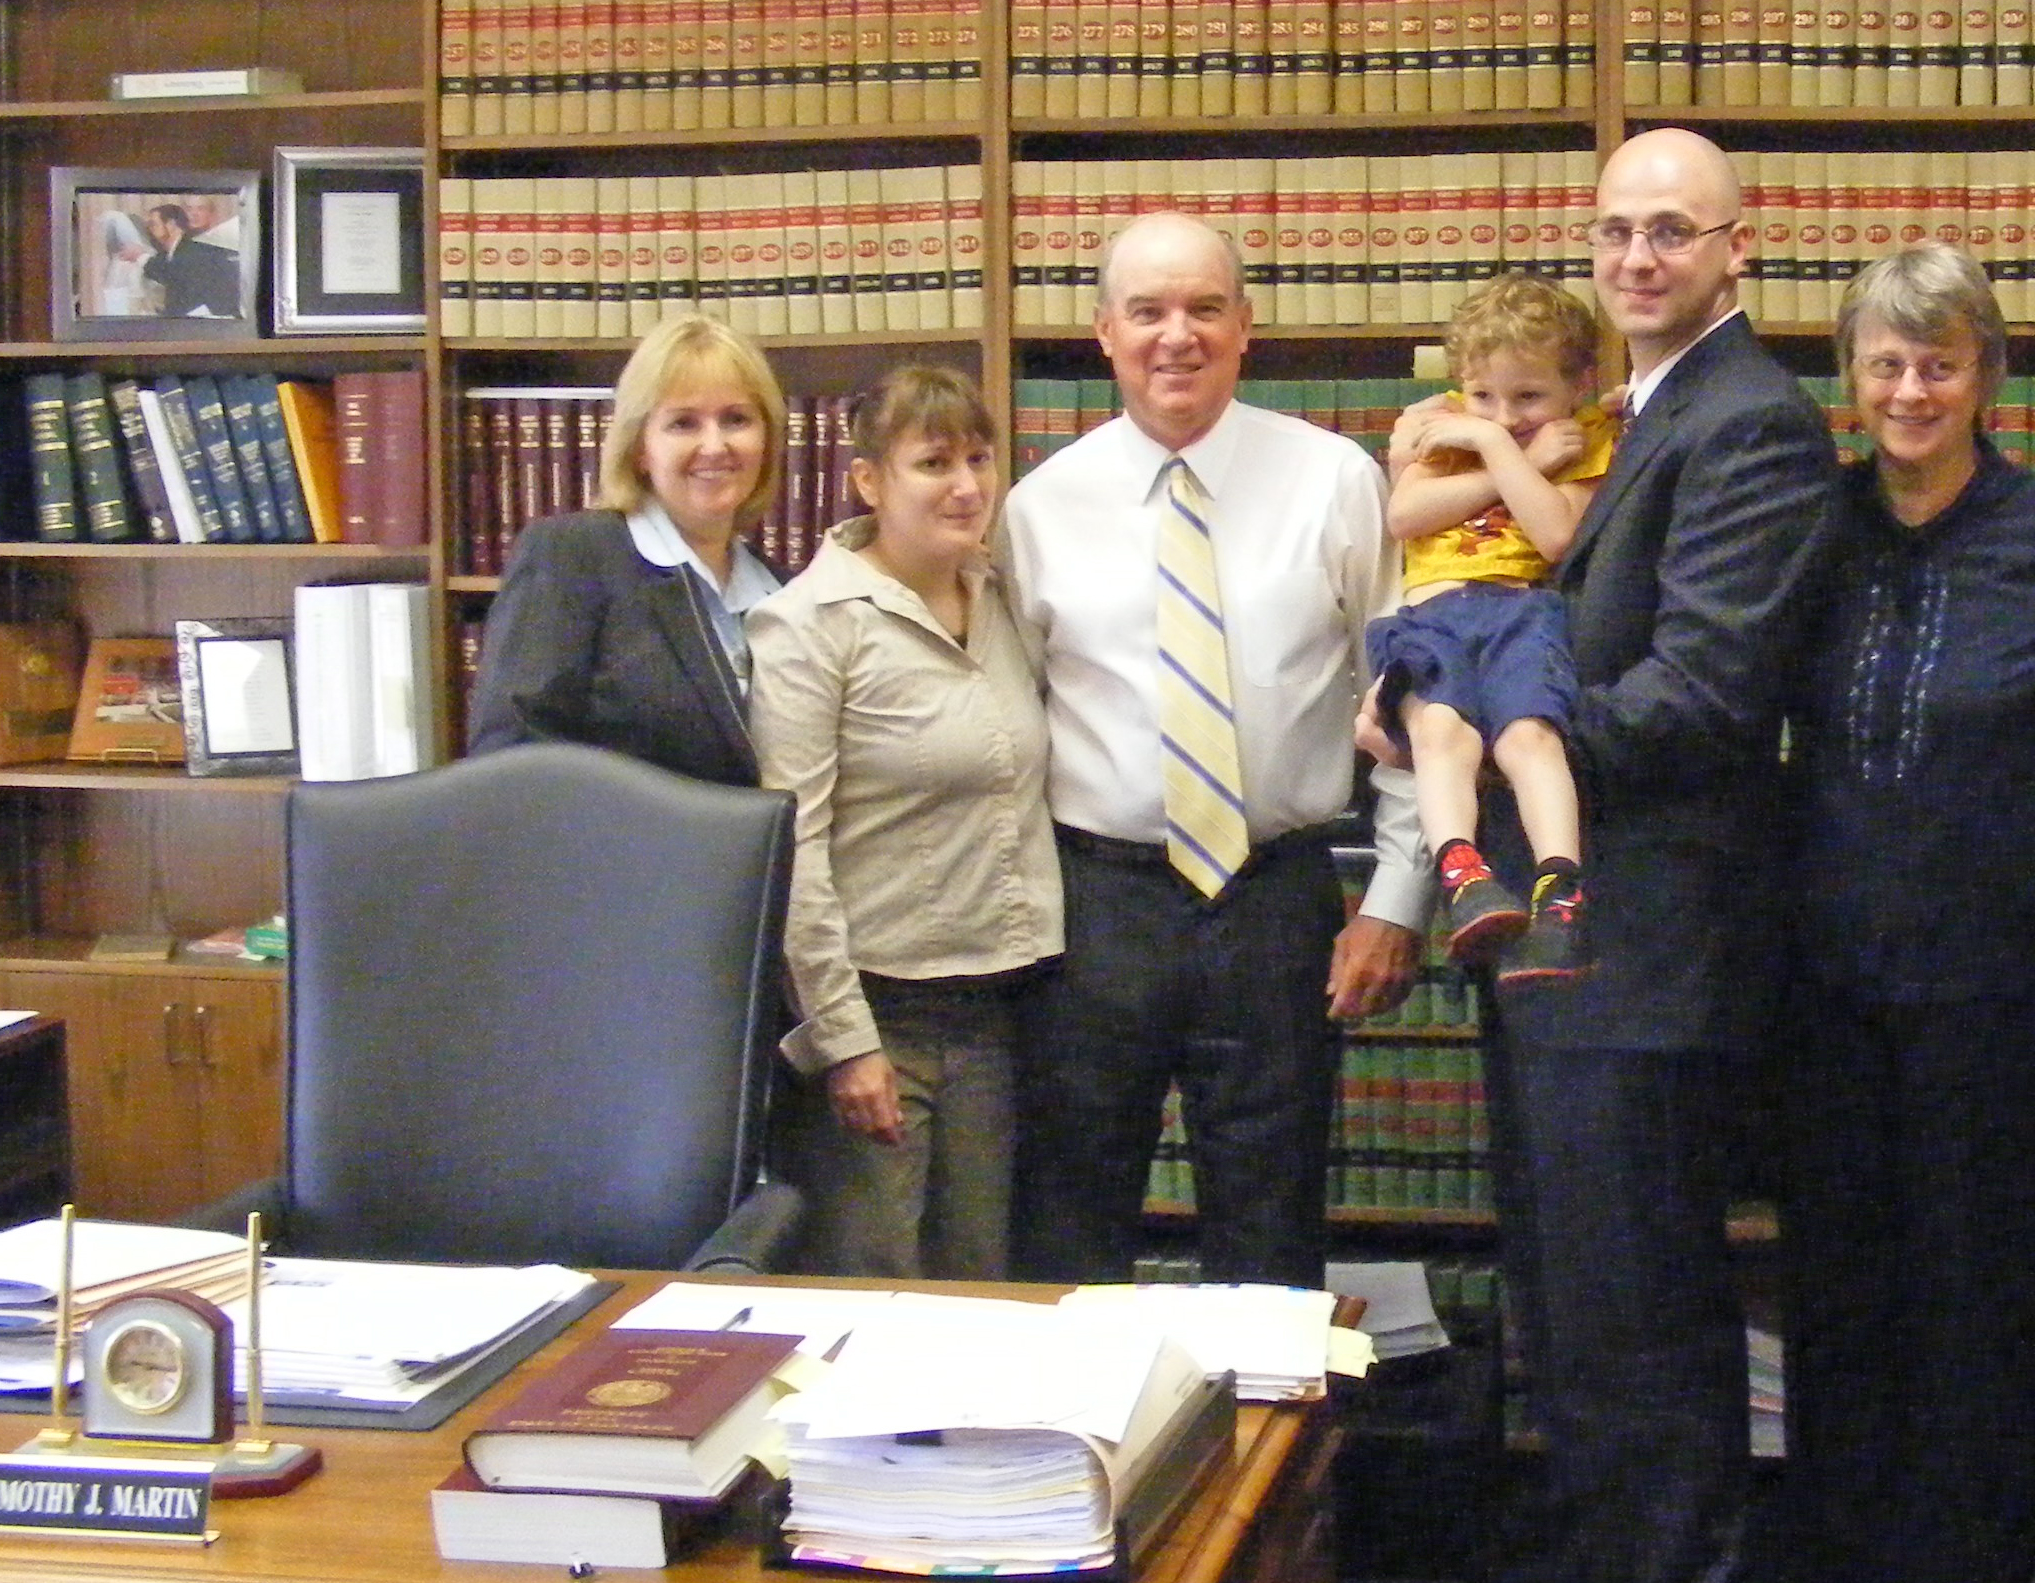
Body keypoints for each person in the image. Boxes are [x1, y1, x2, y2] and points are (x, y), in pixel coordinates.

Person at [1479, 127, 1840, 1583]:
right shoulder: (1648, 414)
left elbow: (1699, 700)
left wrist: (1500, 728)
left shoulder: (1751, 422)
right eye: (1615, 229)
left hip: (1653, 952)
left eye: (1670, 231)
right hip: (1582, 946)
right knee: (1580, 1314)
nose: (1634, 257)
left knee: (1643, 1326)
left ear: (1733, 248)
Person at [1779, 239, 2035, 1583]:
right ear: (1854, 377)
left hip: (1996, 985)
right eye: (1886, 363)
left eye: (1940, 363)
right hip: (1825, 981)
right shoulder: (1811, 527)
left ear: (1989, 379)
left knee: (1986, 1300)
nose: (1910, 390)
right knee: (1846, 1297)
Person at [1001, 210, 1427, 1288]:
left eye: (1201, 307)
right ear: (1104, 332)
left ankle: (1259, 1456)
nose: (1173, 335)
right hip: (1095, 912)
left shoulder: (1335, 481)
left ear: (1246, 326)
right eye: (1146, 310)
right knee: (1070, 1218)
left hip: (1273, 899)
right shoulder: (1036, 507)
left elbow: (1417, 704)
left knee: (1272, 1227)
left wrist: (1394, 898)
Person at [745, 365, 1060, 1280]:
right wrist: (845, 1043)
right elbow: (791, 850)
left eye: (978, 457)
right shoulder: (810, 624)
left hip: (999, 1014)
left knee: (984, 1291)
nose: (966, 485)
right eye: (932, 462)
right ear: (869, 480)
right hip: (880, 1018)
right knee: (875, 1294)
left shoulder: (1000, 597)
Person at [1368, 270, 1615, 985]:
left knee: (1529, 739)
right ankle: (1463, 872)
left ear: (1578, 385)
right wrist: (1504, 453)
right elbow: (1404, 516)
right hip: (1433, 611)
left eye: (1528, 397)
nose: (1503, 416)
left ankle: (1560, 889)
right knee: (1442, 735)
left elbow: (1555, 536)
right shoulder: (1445, 427)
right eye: (1484, 396)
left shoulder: (1585, 438)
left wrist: (1504, 453)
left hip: (1520, 610)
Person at [467, 312, 785, 784]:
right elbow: (510, 763)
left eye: (736, 419)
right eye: (683, 424)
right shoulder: (574, 558)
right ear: (640, 448)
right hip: (618, 856)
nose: (715, 445)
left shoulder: (782, 590)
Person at [142, 200, 244, 319]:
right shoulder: (169, 253)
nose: (150, 229)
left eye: (153, 224)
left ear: (171, 224)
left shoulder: (196, 251)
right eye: (189, 209)